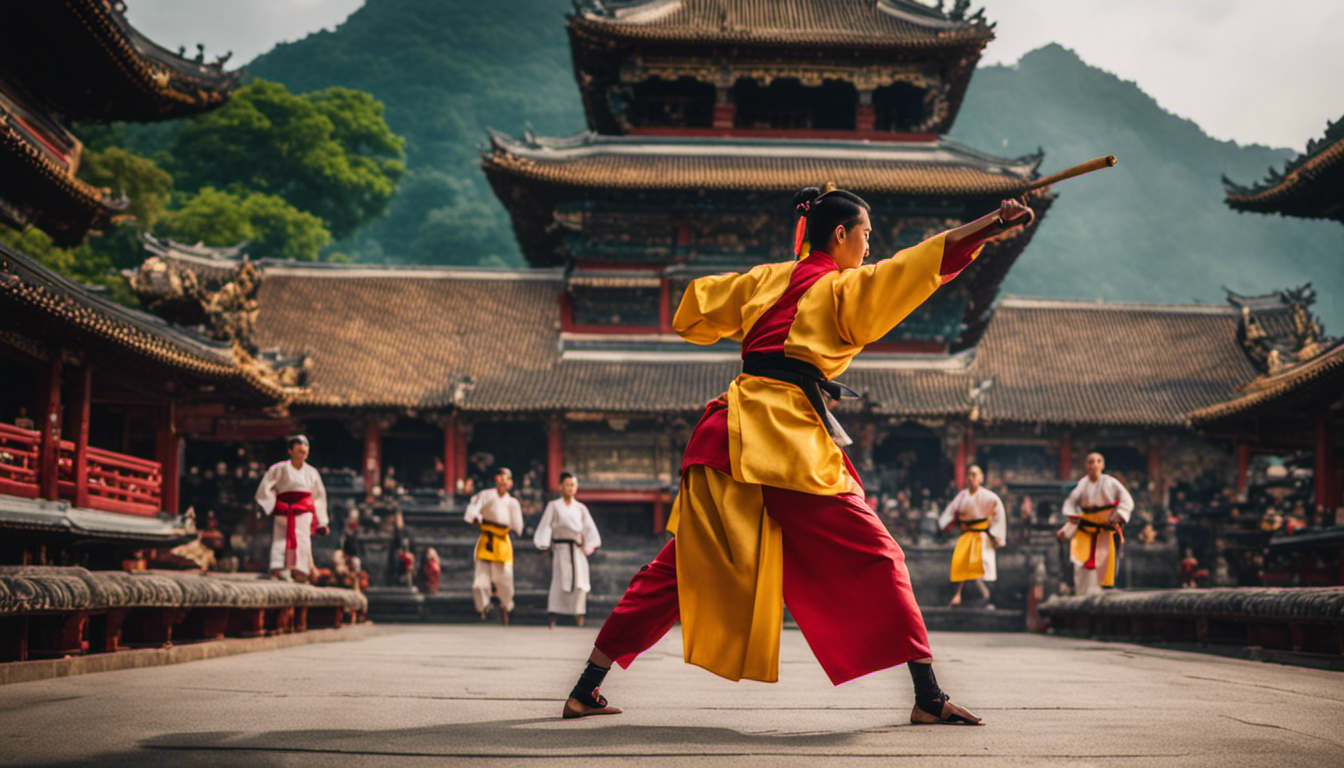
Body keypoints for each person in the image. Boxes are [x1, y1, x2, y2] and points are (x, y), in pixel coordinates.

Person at [559, 185, 1034, 723]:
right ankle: (927, 697)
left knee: (676, 570)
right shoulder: (843, 290)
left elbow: (692, 308)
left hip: (725, 432)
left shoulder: (767, 278)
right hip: (785, 440)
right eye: (866, 235)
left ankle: (585, 687)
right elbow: (917, 266)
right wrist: (993, 222)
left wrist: (775, 291)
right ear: (840, 234)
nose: (870, 247)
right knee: (881, 557)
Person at [1057, 452, 1134, 596]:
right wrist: (1067, 529)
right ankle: (1081, 595)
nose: (1094, 465)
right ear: (1086, 465)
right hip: (1085, 530)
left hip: (1105, 528)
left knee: (1105, 566)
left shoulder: (1110, 482)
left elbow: (1127, 501)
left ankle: (1103, 598)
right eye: (1091, 462)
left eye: (1098, 461)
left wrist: (1117, 517)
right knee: (1080, 565)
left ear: (1102, 465)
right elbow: (1071, 504)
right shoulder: (1082, 484)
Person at [255, 435, 329, 582]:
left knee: (302, 539)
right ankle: (278, 568)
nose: (303, 454)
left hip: (303, 510)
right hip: (284, 508)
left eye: (305, 451)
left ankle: (300, 570)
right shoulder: (279, 468)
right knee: (280, 538)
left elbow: (319, 497)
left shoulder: (312, 472)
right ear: (290, 451)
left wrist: (322, 521)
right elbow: (266, 487)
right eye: (299, 451)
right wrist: (268, 504)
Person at [534, 472, 603, 629]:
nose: (571, 488)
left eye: (573, 485)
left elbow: (589, 529)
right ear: (560, 486)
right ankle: (553, 616)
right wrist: (544, 542)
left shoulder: (580, 508)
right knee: (558, 582)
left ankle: (579, 615)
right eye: (568, 484)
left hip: (576, 550)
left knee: (580, 583)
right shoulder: (554, 506)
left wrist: (589, 545)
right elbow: (546, 526)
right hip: (561, 550)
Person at [938, 465, 1006, 608]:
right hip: (966, 536)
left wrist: (996, 534)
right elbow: (950, 513)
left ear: (981, 478)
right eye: (969, 474)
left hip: (982, 537)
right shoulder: (961, 497)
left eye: (975, 475)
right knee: (961, 565)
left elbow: (998, 515)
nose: (972, 478)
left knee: (982, 568)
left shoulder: (990, 497)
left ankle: (988, 597)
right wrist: (944, 525)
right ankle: (958, 595)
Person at [464, 467, 523, 625]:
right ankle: (484, 607)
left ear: (510, 482)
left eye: (507, 478)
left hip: (503, 541)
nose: (503, 480)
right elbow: (471, 511)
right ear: (496, 479)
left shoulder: (513, 503)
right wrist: (475, 517)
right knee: (480, 581)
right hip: (486, 540)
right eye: (500, 477)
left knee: (505, 578)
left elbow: (518, 526)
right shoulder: (485, 495)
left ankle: (505, 605)